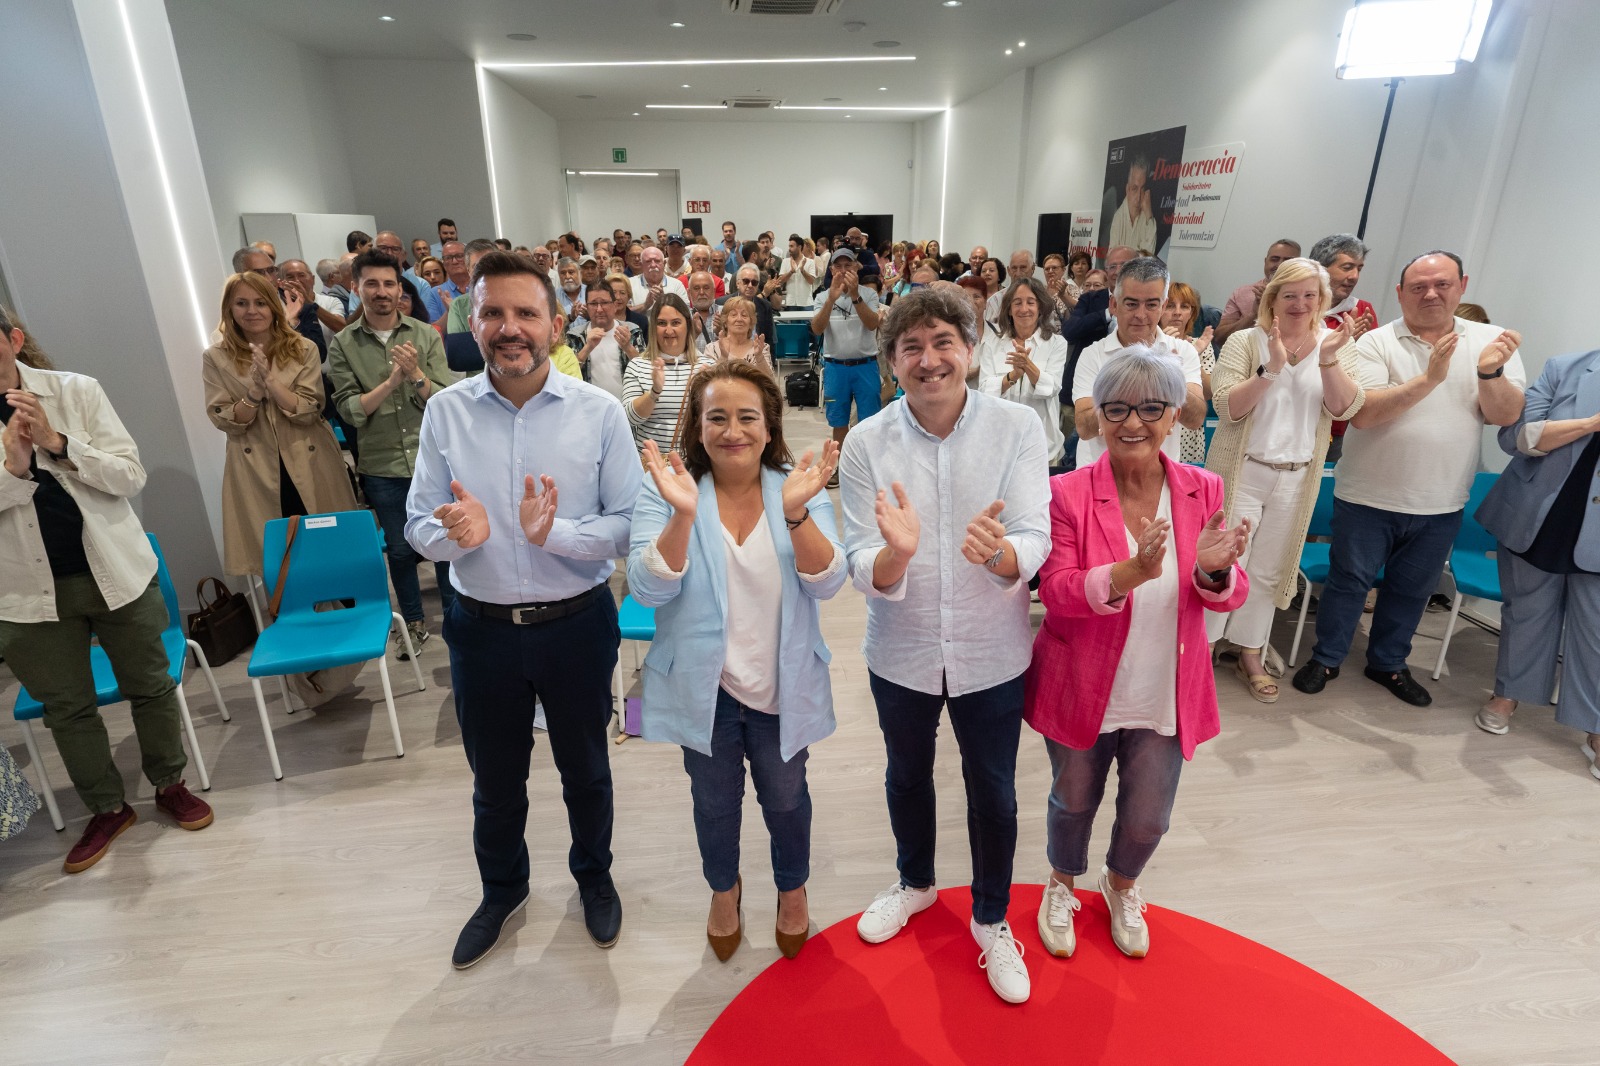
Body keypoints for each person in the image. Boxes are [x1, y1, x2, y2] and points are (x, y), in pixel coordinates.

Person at [405, 250, 639, 969]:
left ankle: (593, 879)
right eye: (494, 313)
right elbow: (416, 524)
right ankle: (502, 891)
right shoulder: (445, 412)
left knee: (587, 772)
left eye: (526, 313)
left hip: (577, 625)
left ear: (555, 323)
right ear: (470, 322)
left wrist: (554, 533)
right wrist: (453, 535)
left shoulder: (598, 413)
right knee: (495, 782)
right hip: (481, 633)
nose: (510, 328)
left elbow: (630, 523)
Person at [839, 286, 1051, 1004]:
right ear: (892, 360)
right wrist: (896, 556)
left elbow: (1034, 536)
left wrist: (997, 558)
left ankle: (991, 917)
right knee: (907, 773)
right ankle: (916, 882)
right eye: (911, 348)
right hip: (901, 650)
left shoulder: (1017, 427)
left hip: (992, 649)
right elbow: (859, 560)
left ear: (971, 348)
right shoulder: (867, 442)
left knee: (994, 786)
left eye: (943, 343)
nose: (929, 361)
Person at [1025, 346, 1250, 961]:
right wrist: (1126, 574)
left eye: (1151, 408)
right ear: (1097, 416)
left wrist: (1211, 572)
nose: (1133, 423)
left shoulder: (1203, 487)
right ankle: (1061, 883)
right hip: (1083, 681)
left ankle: (1121, 883)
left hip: (1165, 685)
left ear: (1175, 415)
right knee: (1072, 800)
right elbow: (1056, 590)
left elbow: (1228, 591)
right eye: (1117, 408)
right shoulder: (1066, 492)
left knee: (1150, 817)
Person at [627, 363, 845, 961]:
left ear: (769, 425)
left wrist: (799, 514)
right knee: (713, 802)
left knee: (786, 798)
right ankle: (724, 891)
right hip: (704, 688)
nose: (732, 431)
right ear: (697, 428)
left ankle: (792, 889)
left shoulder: (795, 484)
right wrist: (681, 517)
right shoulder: (666, 488)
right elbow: (647, 591)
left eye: (747, 417)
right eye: (716, 417)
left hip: (781, 682)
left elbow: (829, 582)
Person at [0, 306, 214, 873]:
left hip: (114, 570)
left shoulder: (76, 391)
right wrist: (14, 470)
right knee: (67, 709)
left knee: (150, 686)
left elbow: (129, 476)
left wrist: (58, 443)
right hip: (24, 592)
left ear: (14, 339)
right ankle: (106, 809)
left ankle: (169, 783)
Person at [1293, 251, 1526, 705]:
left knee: (1411, 590)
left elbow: (1506, 415)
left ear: (1462, 285)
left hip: (1441, 499)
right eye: (1418, 287)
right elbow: (1365, 415)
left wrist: (1489, 371)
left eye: (1441, 284)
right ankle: (1327, 658)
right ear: (1400, 294)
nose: (1431, 294)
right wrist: (1431, 379)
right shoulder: (1376, 343)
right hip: (1367, 495)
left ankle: (1389, 663)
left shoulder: (1490, 343)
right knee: (1348, 583)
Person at [1203, 259, 1363, 702]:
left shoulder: (1335, 344)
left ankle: (1249, 652)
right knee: (1224, 563)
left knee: (1269, 571)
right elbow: (1227, 407)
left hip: (1297, 477)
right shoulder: (1245, 340)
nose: (1300, 304)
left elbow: (1345, 408)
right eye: (1290, 294)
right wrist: (1270, 368)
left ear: (1322, 300)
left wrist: (1329, 360)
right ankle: (1206, 647)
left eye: (1310, 295)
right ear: (1273, 298)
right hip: (1244, 472)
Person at [1473, 349, 1600, 779]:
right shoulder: (1566, 368)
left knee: (1596, 631)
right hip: (1540, 515)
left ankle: (1596, 727)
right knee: (1527, 612)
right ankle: (1508, 695)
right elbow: (1517, 438)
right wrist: (1589, 424)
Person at [327, 250, 454, 657]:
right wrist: (390, 381)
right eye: (372, 284)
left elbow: (446, 400)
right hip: (382, 464)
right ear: (356, 287)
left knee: (442, 544)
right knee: (400, 550)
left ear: (401, 289)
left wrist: (415, 376)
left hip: (431, 462)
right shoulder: (344, 344)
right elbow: (349, 411)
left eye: (389, 284)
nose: (381, 292)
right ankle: (412, 623)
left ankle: (455, 620)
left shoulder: (425, 334)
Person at [203, 272, 356, 578]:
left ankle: (344, 612)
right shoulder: (216, 357)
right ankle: (293, 615)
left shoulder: (302, 348)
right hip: (256, 465)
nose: (252, 310)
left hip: (309, 458)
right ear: (229, 310)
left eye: (260, 302)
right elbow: (223, 417)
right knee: (278, 559)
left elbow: (310, 408)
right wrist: (254, 394)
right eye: (242, 303)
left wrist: (271, 382)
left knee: (328, 547)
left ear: (274, 305)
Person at [1072, 257, 1206, 470]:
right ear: (1114, 305)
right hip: (1098, 478)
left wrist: (1171, 377)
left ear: (1162, 307)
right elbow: (1084, 427)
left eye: (1151, 304)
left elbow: (1195, 418)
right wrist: (1132, 380)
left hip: (1158, 480)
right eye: (1132, 304)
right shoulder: (1093, 355)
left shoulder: (1182, 351)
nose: (1141, 315)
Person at [978, 278, 1070, 469]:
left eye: (1030, 302)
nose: (1024, 309)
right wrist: (1012, 377)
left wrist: (1028, 366)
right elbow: (984, 391)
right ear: (1009, 310)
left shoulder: (1056, 343)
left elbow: (1052, 387)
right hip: (1000, 446)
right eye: (1017, 303)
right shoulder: (991, 343)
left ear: (1040, 308)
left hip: (1044, 446)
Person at [1309, 234, 1379, 464]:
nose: (1354, 277)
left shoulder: (1362, 310)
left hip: (1337, 425)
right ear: (1320, 268)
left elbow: (1369, 371)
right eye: (1347, 267)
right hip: (1296, 414)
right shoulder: (1297, 306)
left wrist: (1356, 347)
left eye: (1359, 268)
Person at [812, 249, 884, 463]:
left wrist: (854, 295)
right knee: (838, 421)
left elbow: (872, 324)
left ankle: (869, 467)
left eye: (848, 266)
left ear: (856, 268)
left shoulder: (869, 294)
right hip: (836, 368)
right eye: (839, 266)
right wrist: (830, 300)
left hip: (866, 366)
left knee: (869, 421)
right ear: (832, 269)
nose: (843, 271)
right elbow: (817, 329)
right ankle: (839, 466)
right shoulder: (822, 297)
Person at [623, 294, 698, 456]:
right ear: (653, 328)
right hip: (650, 466)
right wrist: (654, 392)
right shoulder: (637, 365)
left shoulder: (706, 367)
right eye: (662, 323)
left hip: (696, 466)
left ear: (688, 326)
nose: (669, 330)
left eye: (676, 323)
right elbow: (630, 419)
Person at [1160, 282, 1216, 464]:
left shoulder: (1201, 346)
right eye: (1170, 306)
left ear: (1191, 313)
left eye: (1184, 306)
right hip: (1157, 427)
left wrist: (1190, 354)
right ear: (1159, 309)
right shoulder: (1147, 343)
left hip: (1188, 433)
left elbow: (1208, 393)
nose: (1177, 312)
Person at [1216, 239, 1301, 343]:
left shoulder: (1305, 297)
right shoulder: (1242, 294)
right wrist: (1253, 314)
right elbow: (1219, 338)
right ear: (1266, 262)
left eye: (1287, 261)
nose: (1279, 265)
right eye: (1274, 259)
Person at [567, 284, 641, 400]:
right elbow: (567, 376)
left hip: (626, 405)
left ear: (614, 305)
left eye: (605, 303)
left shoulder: (632, 331)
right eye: (593, 304)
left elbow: (645, 370)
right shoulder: (575, 335)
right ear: (587, 306)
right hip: (588, 407)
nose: (599, 309)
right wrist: (588, 348)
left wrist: (628, 347)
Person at [702, 296, 774, 375]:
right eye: (733, 315)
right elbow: (708, 381)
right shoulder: (712, 349)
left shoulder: (761, 348)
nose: (739, 319)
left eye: (744, 315)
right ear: (725, 322)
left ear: (751, 322)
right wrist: (723, 357)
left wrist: (759, 357)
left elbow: (770, 382)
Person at [1108, 156, 1157, 256]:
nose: (1139, 197)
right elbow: (1114, 258)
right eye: (1134, 188)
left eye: (1142, 188)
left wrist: (1149, 215)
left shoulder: (1148, 217)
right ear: (1127, 189)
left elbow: (1149, 256)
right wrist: (1139, 253)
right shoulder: (1118, 217)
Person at [629, 246, 689, 314]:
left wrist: (664, 301)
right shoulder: (629, 284)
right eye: (648, 261)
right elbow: (621, 313)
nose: (653, 265)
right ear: (641, 264)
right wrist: (645, 305)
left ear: (664, 263)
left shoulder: (677, 285)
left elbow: (686, 313)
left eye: (657, 261)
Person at [774, 234, 818, 310]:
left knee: (807, 322)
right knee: (793, 322)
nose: (789, 249)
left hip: (806, 303)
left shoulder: (810, 262)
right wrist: (791, 271)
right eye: (789, 246)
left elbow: (811, 281)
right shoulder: (785, 261)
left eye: (792, 246)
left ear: (800, 247)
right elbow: (780, 281)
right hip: (791, 302)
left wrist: (802, 271)